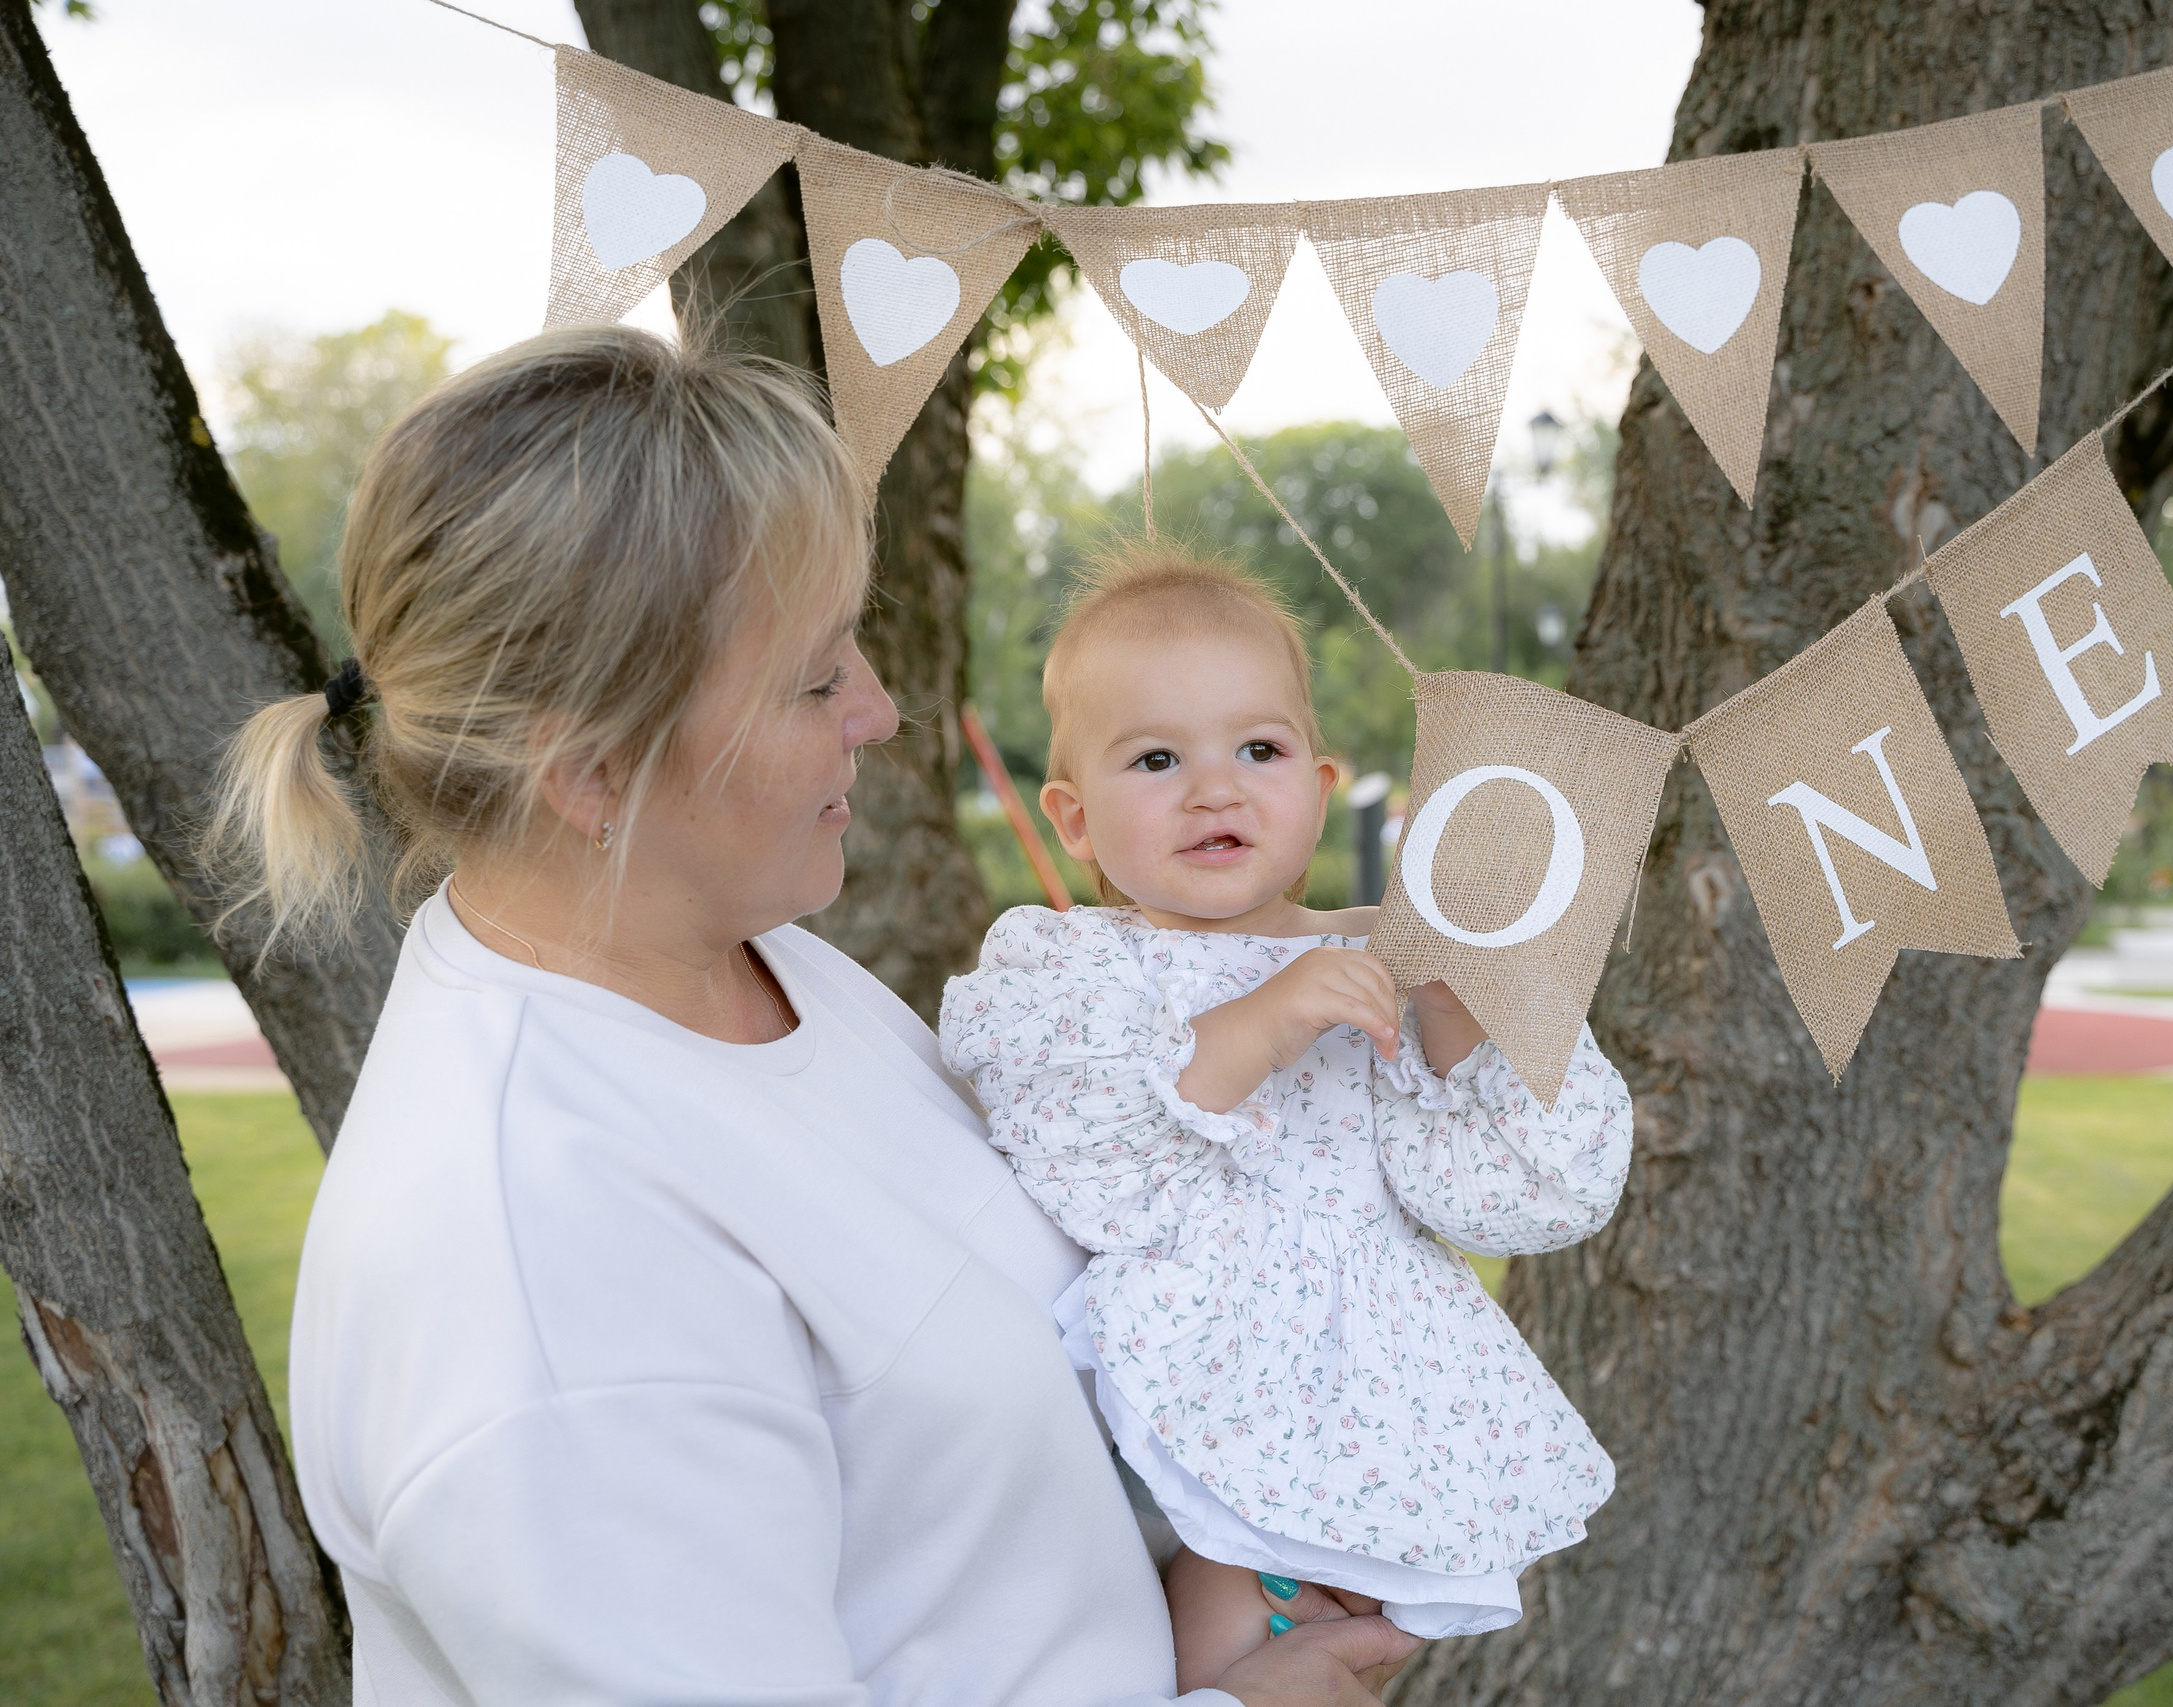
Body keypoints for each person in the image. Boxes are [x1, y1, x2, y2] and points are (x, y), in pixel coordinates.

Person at [205, 328, 1414, 1707]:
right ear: (595, 772)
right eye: (817, 678)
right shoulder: (540, 1282)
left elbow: (942, 1504)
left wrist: (1211, 1580)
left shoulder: (755, 960)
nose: (884, 713)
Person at [939, 549, 1632, 1691]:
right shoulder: (1079, 970)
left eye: (1256, 751)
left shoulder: (1386, 957)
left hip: (1380, 1389)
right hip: (1194, 1365)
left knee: (1340, 1639)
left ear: (1318, 784)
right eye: (1157, 759)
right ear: (1071, 817)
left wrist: (1468, 1024)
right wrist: (1262, 1022)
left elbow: (1519, 1194)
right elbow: (1087, 1156)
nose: (1216, 788)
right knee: (1212, 1607)